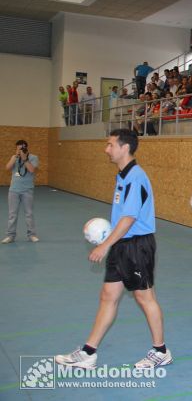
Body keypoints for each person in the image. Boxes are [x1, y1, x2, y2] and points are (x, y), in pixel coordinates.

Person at [55, 129, 171, 369]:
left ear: (124, 148)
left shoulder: (136, 177)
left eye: (110, 145)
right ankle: (89, 352)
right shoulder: (122, 176)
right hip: (121, 244)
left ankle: (160, 351)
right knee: (108, 296)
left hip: (137, 245)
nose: (106, 149)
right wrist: (111, 241)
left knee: (144, 296)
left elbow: (129, 218)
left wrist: (104, 245)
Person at [2, 140, 40, 244]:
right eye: (17, 148)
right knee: (12, 214)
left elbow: (32, 170)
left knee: (29, 214)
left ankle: (32, 235)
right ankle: (10, 236)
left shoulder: (33, 158)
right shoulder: (14, 157)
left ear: (26, 148)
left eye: (21, 149)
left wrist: (25, 159)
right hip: (13, 190)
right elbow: (7, 168)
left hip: (27, 190)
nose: (19, 150)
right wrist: (14, 158)